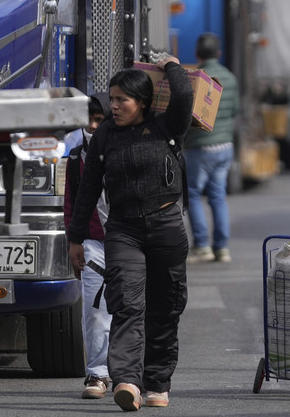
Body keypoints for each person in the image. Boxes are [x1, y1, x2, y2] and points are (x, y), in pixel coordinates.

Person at [67, 55, 194, 412]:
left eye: (123, 99)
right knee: (126, 303)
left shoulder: (167, 126)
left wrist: (171, 65)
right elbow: (88, 188)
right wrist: (76, 239)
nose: (115, 105)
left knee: (166, 307)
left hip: (166, 227)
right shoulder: (106, 134)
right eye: (112, 98)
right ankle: (127, 381)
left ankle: (157, 382)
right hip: (124, 230)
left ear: (142, 102)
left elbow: (183, 95)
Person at [63, 93, 112, 400]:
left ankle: (130, 371)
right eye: (89, 120)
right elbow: (73, 205)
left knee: (130, 311)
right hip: (93, 242)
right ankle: (97, 373)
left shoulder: (126, 151)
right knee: (94, 309)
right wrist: (74, 241)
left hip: (129, 243)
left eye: (99, 120)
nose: (93, 126)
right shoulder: (76, 158)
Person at [184, 33, 240, 264]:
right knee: (218, 196)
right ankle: (222, 248)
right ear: (218, 54)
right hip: (225, 146)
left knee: (194, 195)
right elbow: (234, 110)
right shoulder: (230, 78)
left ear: (198, 54)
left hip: (200, 146)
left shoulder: (198, 78)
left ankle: (202, 246)